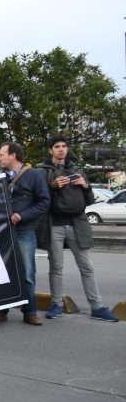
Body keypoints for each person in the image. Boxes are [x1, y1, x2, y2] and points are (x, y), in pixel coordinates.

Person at [37, 135, 119, 322]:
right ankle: (56, 305)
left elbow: (89, 201)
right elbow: (39, 200)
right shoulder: (42, 171)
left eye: (64, 146)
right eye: (57, 146)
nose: (61, 149)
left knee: (87, 267)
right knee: (56, 268)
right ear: (50, 150)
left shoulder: (77, 170)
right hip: (53, 225)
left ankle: (97, 307)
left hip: (77, 223)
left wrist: (86, 185)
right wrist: (52, 186)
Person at [0, 142, 49, 326]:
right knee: (1, 272)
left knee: (27, 273)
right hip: (2, 231)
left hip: (24, 231)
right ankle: (1, 310)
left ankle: (30, 311)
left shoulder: (34, 176)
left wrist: (22, 215)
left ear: (13, 155)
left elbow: (44, 202)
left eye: (2, 154)